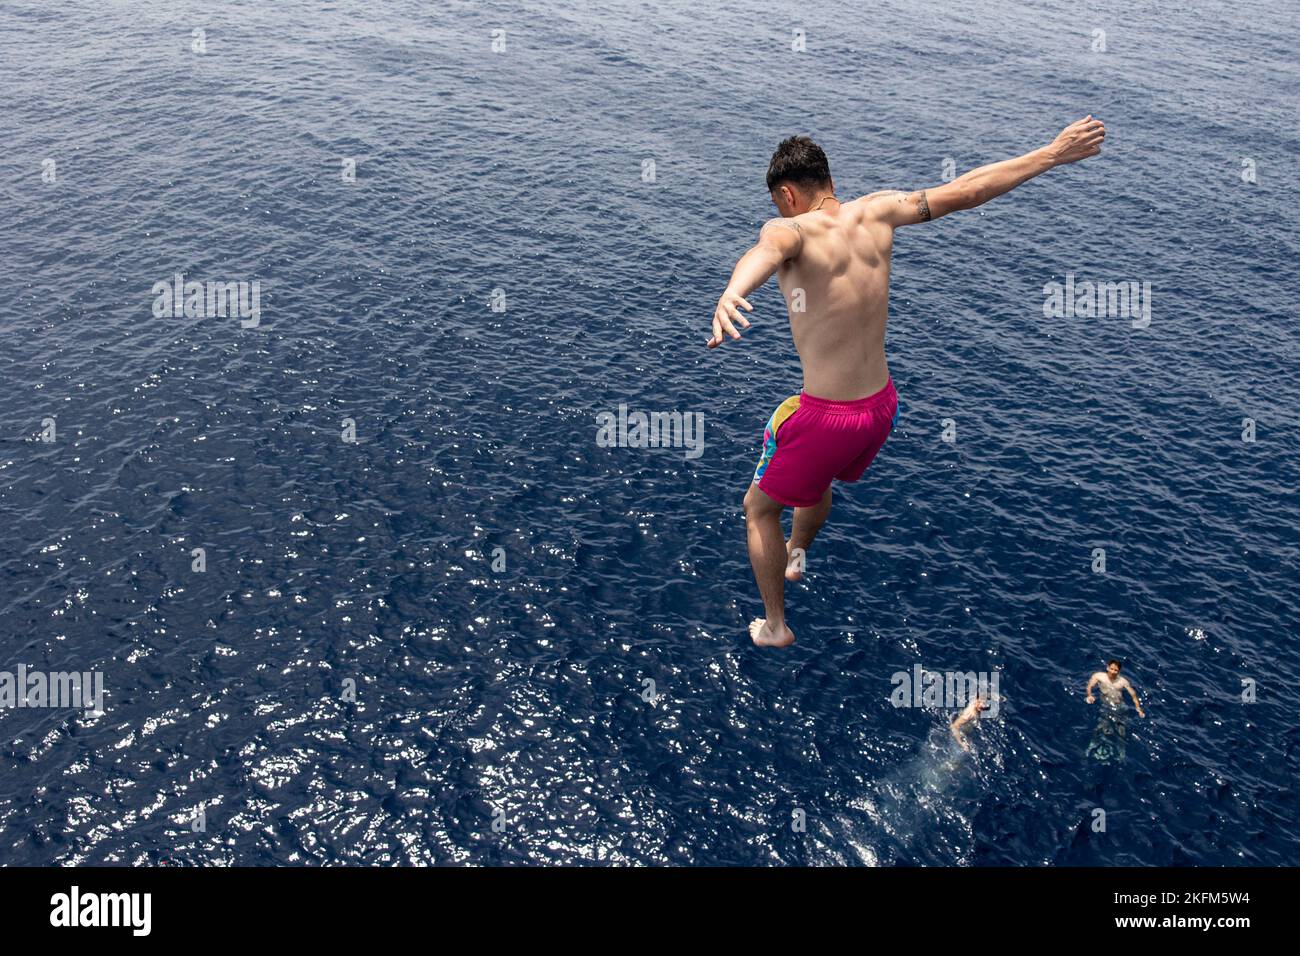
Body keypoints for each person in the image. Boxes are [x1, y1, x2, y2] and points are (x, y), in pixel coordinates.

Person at [709, 117, 1106, 647]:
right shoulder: (879, 210)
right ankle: (798, 554)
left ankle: (777, 626)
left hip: (827, 417)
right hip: (879, 408)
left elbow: (766, 252)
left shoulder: (788, 229)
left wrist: (731, 291)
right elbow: (966, 190)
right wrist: (1051, 154)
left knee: (758, 508)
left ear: (787, 194)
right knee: (817, 480)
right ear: (828, 181)